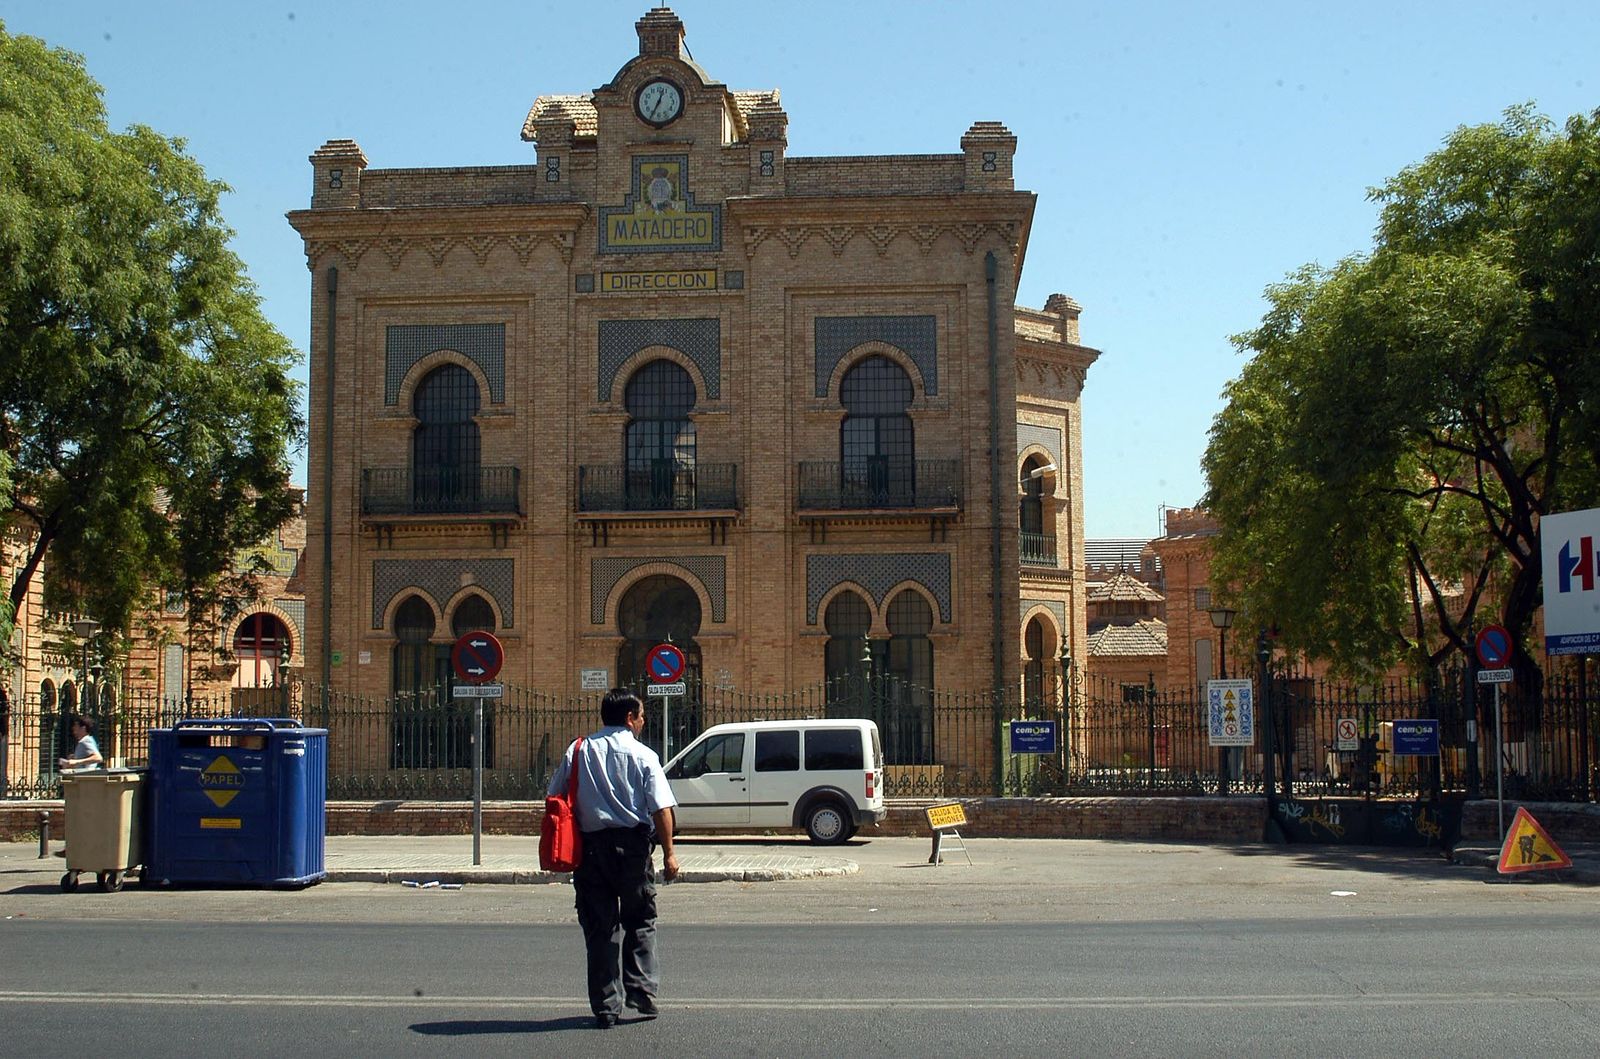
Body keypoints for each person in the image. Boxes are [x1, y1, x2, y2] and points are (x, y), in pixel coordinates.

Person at [547, 688, 680, 1029]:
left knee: (600, 928)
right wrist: (669, 855)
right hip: (634, 851)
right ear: (629, 718)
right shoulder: (643, 754)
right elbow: (661, 809)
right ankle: (642, 995)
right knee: (641, 920)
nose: (643, 721)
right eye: (640, 716)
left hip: (590, 851)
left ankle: (606, 1007)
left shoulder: (578, 751)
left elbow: (554, 796)